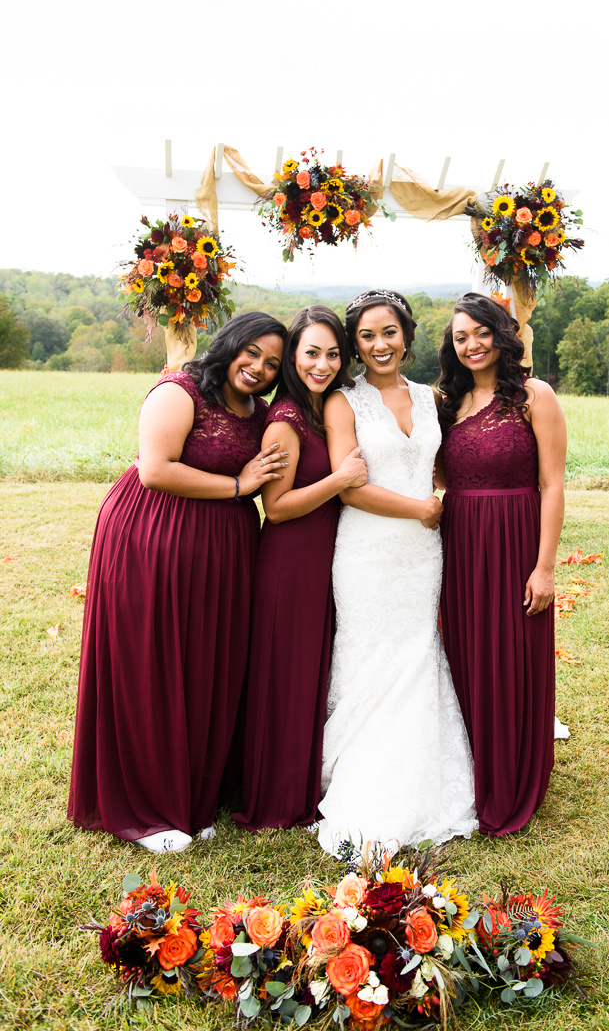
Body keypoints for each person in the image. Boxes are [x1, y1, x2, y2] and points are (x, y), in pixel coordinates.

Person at [68, 311, 288, 852]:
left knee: (205, 665)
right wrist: (239, 484)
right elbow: (156, 469)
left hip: (223, 549)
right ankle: (147, 806)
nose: (258, 368)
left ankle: (192, 791)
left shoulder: (260, 412)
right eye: (252, 352)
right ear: (230, 344)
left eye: (272, 363)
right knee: (152, 662)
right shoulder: (181, 389)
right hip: (152, 537)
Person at [316, 289, 477, 856]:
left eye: (389, 332)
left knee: (417, 652)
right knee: (374, 656)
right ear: (354, 345)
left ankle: (424, 777)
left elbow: (443, 463)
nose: (379, 345)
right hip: (368, 551)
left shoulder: (432, 398)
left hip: (423, 555)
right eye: (366, 336)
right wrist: (421, 509)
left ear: (407, 335)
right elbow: (350, 485)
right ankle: (362, 777)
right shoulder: (343, 402)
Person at [233, 306, 368, 831]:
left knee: (312, 670)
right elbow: (279, 506)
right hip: (290, 560)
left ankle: (306, 779)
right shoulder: (285, 418)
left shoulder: (319, 408)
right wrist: (340, 480)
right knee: (287, 675)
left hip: (324, 557)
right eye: (312, 352)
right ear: (292, 356)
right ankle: (279, 796)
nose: (324, 363)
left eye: (333, 353)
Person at [437, 293, 567, 836]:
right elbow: (441, 475)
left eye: (479, 333)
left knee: (510, 653)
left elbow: (553, 483)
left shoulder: (534, 396)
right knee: (466, 652)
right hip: (460, 540)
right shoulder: (448, 402)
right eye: (460, 337)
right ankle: (471, 765)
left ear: (501, 333)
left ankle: (514, 773)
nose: (471, 345)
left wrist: (544, 567)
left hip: (515, 539)